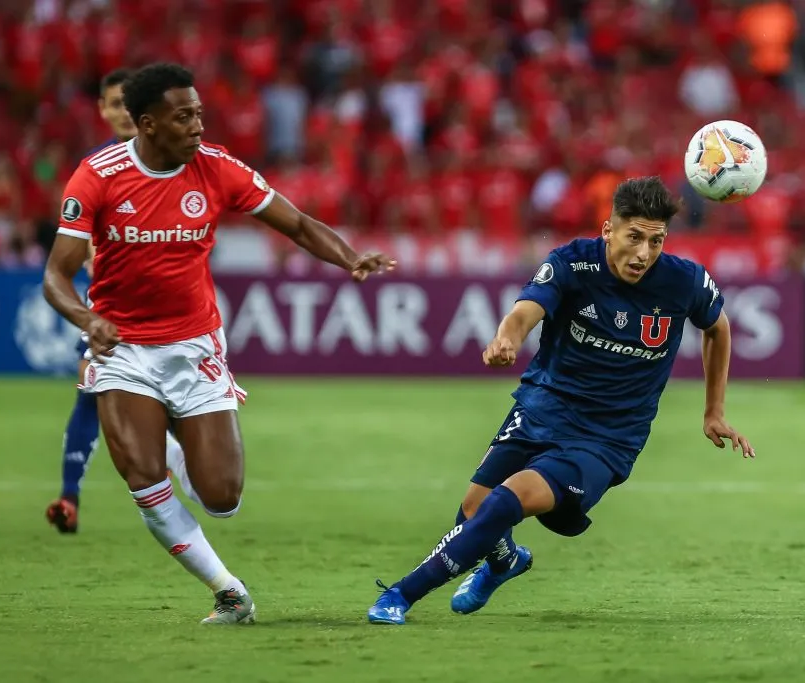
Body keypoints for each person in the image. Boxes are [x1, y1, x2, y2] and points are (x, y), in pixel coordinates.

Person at [43, 62, 394, 624]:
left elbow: (298, 225)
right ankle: (229, 592)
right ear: (147, 124)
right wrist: (88, 319)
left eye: (200, 113)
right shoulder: (98, 175)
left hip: (195, 347)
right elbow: (55, 276)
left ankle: (176, 444)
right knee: (142, 478)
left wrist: (350, 257)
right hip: (122, 350)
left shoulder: (217, 168)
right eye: (183, 117)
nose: (198, 126)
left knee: (222, 498)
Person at [367, 176, 755, 625]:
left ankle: (400, 594)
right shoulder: (573, 263)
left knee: (503, 502)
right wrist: (506, 339)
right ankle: (504, 562)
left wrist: (714, 411)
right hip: (541, 406)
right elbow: (524, 312)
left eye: (656, 241)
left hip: (606, 438)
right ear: (608, 230)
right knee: (473, 511)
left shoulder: (683, 280)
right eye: (634, 238)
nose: (645, 253)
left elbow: (718, 328)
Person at [45, 68, 193, 534]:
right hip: (112, 306)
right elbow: (75, 235)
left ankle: (168, 459)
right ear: (103, 111)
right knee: (91, 394)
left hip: (171, 310)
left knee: (154, 396)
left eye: (128, 105)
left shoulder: (177, 155)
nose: (123, 114)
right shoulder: (94, 168)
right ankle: (70, 496)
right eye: (113, 105)